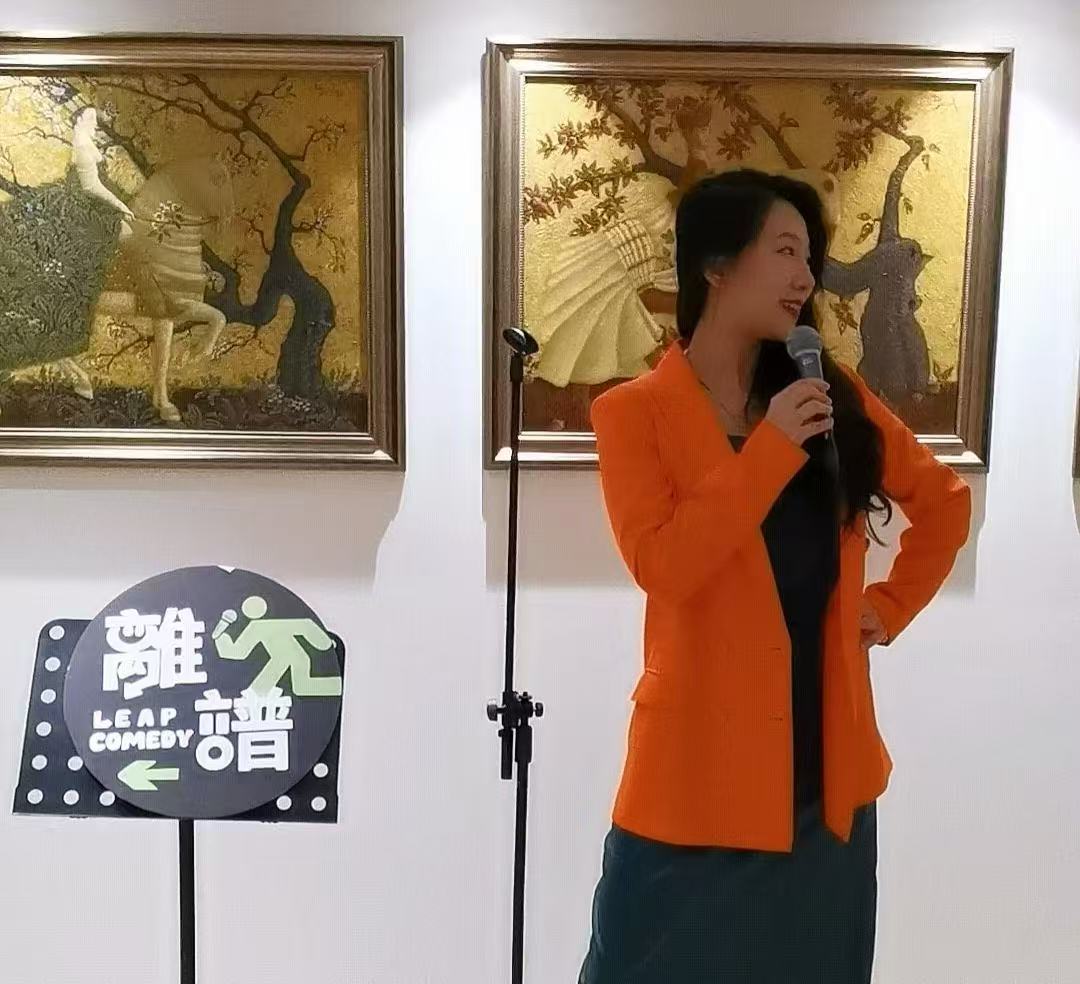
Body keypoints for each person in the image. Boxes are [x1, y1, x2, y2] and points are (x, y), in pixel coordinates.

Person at [578, 168, 971, 983]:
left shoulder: (831, 395)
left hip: (822, 791)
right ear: (716, 267)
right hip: (690, 791)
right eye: (785, 251)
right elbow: (665, 567)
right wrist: (768, 453)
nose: (805, 276)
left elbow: (943, 503)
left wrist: (888, 607)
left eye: (809, 256)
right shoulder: (632, 414)